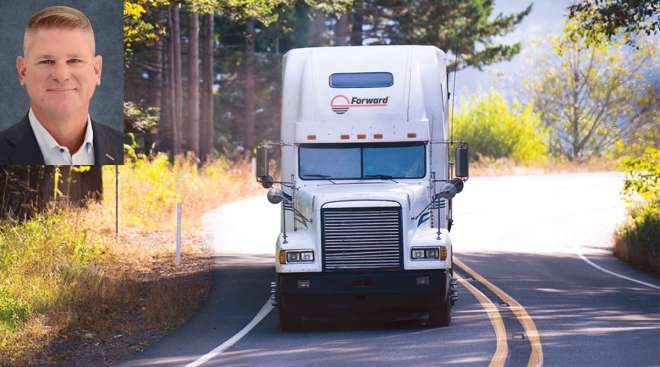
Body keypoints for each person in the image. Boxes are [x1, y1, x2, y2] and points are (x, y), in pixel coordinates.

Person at [0, 5, 122, 165]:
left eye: (74, 60)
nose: (61, 75)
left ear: (96, 70)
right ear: (23, 71)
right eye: (46, 61)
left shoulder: (123, 148)